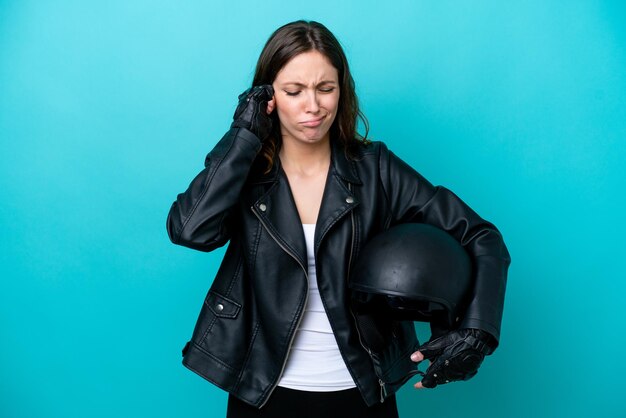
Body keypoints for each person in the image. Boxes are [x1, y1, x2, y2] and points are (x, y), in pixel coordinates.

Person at [166, 20, 510, 418]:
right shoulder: (244, 172)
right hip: (261, 392)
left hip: (362, 392)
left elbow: (483, 236)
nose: (313, 106)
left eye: (325, 89)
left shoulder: (376, 169)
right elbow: (190, 230)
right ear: (267, 96)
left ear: (341, 91)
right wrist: (244, 134)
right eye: (294, 91)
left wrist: (477, 331)